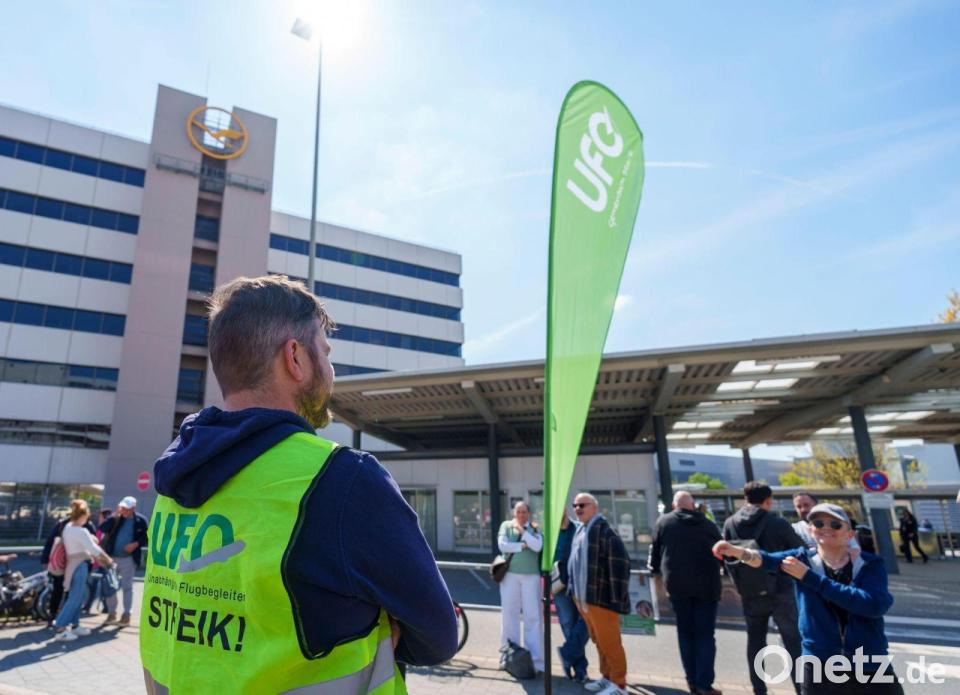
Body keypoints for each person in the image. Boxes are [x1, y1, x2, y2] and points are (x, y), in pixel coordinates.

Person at [141, 275, 456, 693]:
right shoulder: (344, 479)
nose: (331, 369)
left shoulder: (173, 481)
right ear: (295, 357)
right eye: (325, 352)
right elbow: (438, 634)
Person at [713, 503, 903, 694]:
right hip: (819, 663)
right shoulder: (802, 559)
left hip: (868, 661)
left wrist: (809, 577)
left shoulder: (869, 564)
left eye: (835, 525)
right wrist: (737, 551)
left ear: (849, 534)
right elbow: (765, 560)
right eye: (819, 524)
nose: (826, 528)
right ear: (811, 530)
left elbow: (872, 605)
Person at [723, 482, 803, 695]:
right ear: (768, 501)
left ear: (745, 499)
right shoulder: (777, 522)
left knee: (755, 642)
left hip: (750, 591)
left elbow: (727, 557)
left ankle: (759, 690)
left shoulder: (730, 523)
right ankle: (802, 688)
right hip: (781, 590)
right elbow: (800, 550)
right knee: (793, 642)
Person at [648, 491, 723, 695]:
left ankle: (691, 681)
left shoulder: (664, 522)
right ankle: (704, 684)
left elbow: (655, 554)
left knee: (685, 633)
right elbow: (722, 553)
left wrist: (655, 570)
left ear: (674, 506)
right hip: (707, 586)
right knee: (705, 635)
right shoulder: (708, 524)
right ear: (693, 505)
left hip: (677, 585)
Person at [568, 492, 631, 695]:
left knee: (610, 643)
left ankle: (619, 685)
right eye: (575, 505)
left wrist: (616, 597)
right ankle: (607, 677)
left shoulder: (605, 531)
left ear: (594, 507)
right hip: (585, 598)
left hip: (602, 599)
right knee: (599, 642)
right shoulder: (582, 530)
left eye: (582, 505)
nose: (577, 509)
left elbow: (621, 565)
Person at [51, 499, 115, 641]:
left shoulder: (68, 527)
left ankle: (75, 625)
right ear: (82, 515)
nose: (88, 518)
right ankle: (61, 627)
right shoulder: (81, 531)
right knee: (76, 597)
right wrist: (108, 560)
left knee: (76, 596)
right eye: (87, 516)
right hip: (80, 565)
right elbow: (94, 550)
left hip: (71, 565)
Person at [497, 501, 544, 673]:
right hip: (510, 575)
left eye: (524, 512)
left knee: (533, 617)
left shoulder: (535, 528)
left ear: (529, 513)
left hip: (531, 576)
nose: (521, 515)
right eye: (518, 511)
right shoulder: (506, 525)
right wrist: (523, 545)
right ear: (514, 513)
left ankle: (536, 661)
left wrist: (523, 533)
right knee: (509, 615)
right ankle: (508, 656)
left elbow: (537, 547)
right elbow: (503, 545)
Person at [40, 510, 96, 628]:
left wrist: (45, 560)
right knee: (65, 591)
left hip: (68, 563)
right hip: (68, 563)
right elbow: (51, 542)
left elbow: (50, 542)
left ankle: (62, 619)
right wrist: (45, 559)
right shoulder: (68, 524)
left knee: (65, 591)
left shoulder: (71, 525)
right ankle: (59, 620)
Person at [98, 495, 148, 625]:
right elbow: (102, 528)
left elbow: (146, 537)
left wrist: (135, 544)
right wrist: (114, 516)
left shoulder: (141, 521)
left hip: (129, 559)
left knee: (127, 587)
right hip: (112, 558)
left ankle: (126, 615)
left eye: (127, 508)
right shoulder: (116, 519)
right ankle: (112, 613)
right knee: (111, 586)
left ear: (133, 508)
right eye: (122, 508)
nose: (124, 510)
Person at [553, 512, 589, 682]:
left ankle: (567, 653)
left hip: (580, 584)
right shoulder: (550, 533)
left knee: (587, 622)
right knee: (568, 625)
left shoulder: (579, 528)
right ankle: (580, 669)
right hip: (560, 586)